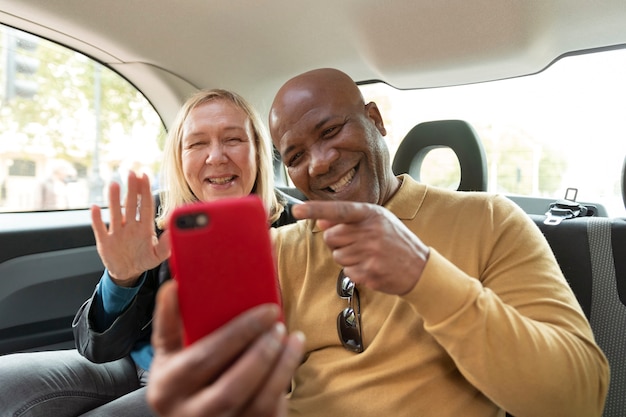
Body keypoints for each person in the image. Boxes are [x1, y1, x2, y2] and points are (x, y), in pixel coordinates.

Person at [146, 68, 609, 417]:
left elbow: (578, 398)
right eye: (296, 156)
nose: (322, 162)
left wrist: (423, 275)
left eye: (330, 132)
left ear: (375, 119)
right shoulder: (278, 251)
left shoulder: (489, 220)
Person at [0, 88, 300, 416]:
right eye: (197, 143)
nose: (216, 157)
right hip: (132, 364)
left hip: (215, 380)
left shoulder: (297, 225)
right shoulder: (156, 215)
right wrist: (121, 279)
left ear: (258, 149)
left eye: (233, 140)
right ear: (179, 157)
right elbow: (98, 349)